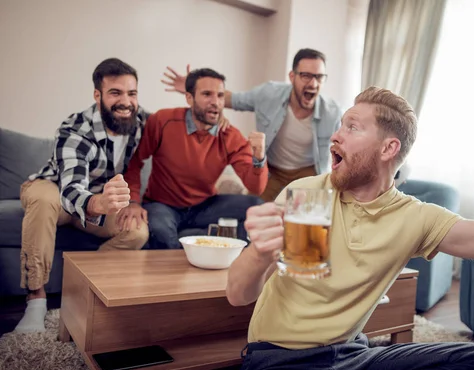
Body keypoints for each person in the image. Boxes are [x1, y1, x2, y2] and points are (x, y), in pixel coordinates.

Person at [226, 86, 474, 370]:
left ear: (388, 149)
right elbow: (238, 295)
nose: (336, 136)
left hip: (353, 357)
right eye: (340, 125)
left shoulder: (413, 217)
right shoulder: (308, 196)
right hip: (281, 363)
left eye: (352, 127)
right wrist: (259, 254)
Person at [16, 58, 149, 333]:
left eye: (132, 93)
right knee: (43, 199)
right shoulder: (77, 127)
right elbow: (72, 186)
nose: (125, 101)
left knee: (137, 232)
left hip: (94, 206)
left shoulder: (141, 122)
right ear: (97, 95)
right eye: (115, 93)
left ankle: (82, 288)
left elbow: (177, 128)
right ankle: (36, 300)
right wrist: (98, 201)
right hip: (55, 189)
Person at [161, 48, 344, 202]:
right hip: (273, 171)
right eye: (305, 76)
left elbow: (341, 152)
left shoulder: (333, 112)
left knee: (306, 224)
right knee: (253, 214)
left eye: (319, 77)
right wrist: (194, 88)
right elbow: (231, 99)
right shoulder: (268, 94)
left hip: (308, 174)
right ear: (292, 76)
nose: (313, 83)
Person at [120, 68, 268, 249]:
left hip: (204, 206)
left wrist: (259, 156)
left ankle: (236, 268)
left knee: (257, 208)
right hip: (162, 205)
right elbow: (134, 163)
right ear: (189, 98)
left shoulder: (230, 136)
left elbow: (256, 187)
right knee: (161, 233)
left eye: (220, 96)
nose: (215, 102)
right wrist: (133, 201)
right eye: (207, 94)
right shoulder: (163, 121)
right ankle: (172, 276)